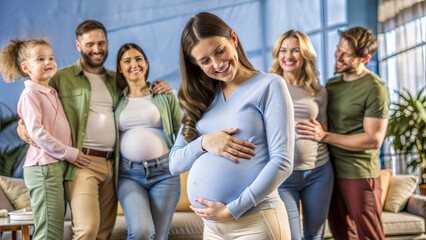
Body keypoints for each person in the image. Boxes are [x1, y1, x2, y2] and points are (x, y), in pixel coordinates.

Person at [16, 20, 172, 240]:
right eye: (90, 44)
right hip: (82, 163)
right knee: (87, 229)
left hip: (114, 165)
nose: (97, 49)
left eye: (101, 43)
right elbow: (36, 105)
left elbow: (140, 92)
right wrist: (21, 127)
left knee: (103, 233)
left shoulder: (116, 80)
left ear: (107, 43)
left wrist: (161, 87)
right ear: (78, 45)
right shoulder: (61, 77)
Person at [169, 12, 295, 239]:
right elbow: (175, 164)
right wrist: (205, 142)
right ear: (195, 65)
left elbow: (282, 162)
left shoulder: (269, 86)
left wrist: (231, 209)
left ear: (233, 39)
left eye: (220, 51)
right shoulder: (202, 98)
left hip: (256, 222)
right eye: (205, 61)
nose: (218, 64)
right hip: (213, 229)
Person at [296, 26, 390, 240]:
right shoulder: (332, 84)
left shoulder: (375, 88)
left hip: (358, 172)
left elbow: (373, 139)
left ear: (365, 58)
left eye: (346, 54)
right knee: (341, 234)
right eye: (339, 49)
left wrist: (325, 136)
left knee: (369, 235)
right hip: (328, 171)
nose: (338, 56)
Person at [0, 38, 90, 240]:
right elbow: (38, 133)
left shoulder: (50, 92)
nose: (48, 62)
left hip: (53, 166)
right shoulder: (30, 93)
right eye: (40, 59)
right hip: (43, 168)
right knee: (48, 232)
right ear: (26, 67)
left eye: (51, 57)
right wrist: (70, 153)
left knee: (53, 229)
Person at [270, 30, 334, 240]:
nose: (288, 56)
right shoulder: (269, 86)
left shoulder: (318, 91)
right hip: (284, 175)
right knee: (291, 237)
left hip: (319, 172)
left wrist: (322, 133)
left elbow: (323, 128)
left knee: (314, 235)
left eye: (295, 50)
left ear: (305, 54)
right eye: (284, 50)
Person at [114, 43, 182, 240]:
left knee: (159, 236)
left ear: (146, 63)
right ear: (120, 68)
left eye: (138, 59)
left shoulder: (163, 93)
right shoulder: (115, 99)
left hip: (165, 173)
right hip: (129, 175)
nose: (134, 64)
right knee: (142, 232)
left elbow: (180, 130)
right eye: (127, 61)